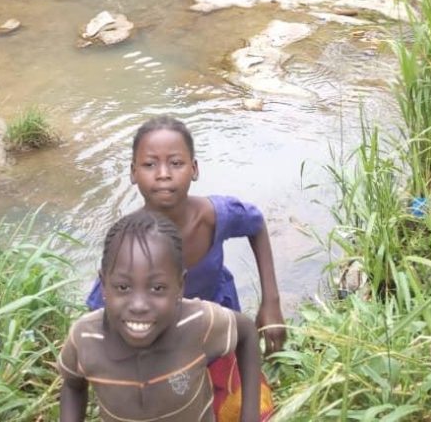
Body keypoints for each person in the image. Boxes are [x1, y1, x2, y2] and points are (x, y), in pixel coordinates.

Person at [86, 115, 284, 419]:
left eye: (176, 163)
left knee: (249, 408)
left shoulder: (214, 216)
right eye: (150, 164)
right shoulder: (130, 243)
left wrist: (271, 302)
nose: (163, 174)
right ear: (133, 173)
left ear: (194, 169)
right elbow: (103, 308)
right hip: (160, 343)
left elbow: (255, 223)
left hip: (215, 330)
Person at [59, 210, 263, 422]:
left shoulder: (199, 323)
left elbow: (247, 333)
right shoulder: (85, 338)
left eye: (157, 288)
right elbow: (73, 386)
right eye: (123, 286)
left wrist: (250, 415)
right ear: (103, 284)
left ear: (180, 286)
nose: (139, 305)